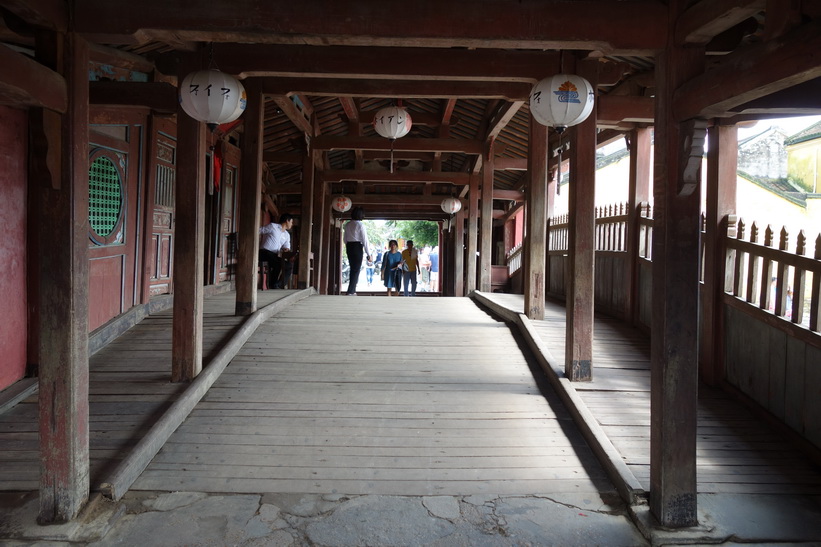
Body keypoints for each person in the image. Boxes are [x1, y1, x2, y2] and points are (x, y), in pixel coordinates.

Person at [258, 213, 294, 289]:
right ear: (287, 221)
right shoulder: (273, 226)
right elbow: (259, 231)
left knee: (287, 265)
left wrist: (286, 249)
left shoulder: (287, 235)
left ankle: (277, 284)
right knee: (279, 263)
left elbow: (287, 247)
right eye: (291, 222)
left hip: (274, 255)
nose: (292, 224)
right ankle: (274, 284)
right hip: (264, 252)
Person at [343, 206, 371, 295]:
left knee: (353, 268)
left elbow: (345, 239)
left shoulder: (347, 224)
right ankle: (351, 291)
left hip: (349, 246)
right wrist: (368, 253)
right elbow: (365, 239)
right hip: (357, 246)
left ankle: (352, 290)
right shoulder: (360, 225)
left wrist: (348, 245)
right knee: (356, 269)